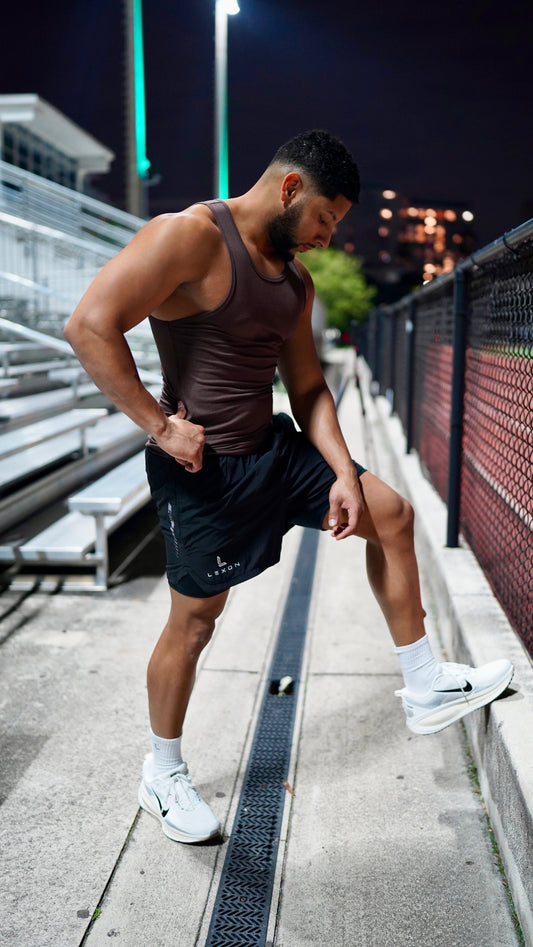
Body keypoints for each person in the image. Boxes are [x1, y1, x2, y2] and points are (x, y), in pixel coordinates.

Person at [64, 130, 513, 845]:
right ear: (289, 189)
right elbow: (89, 325)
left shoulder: (294, 282)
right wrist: (159, 425)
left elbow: (307, 386)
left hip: (273, 448)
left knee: (388, 514)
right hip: (200, 469)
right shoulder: (185, 236)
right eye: (325, 220)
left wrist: (341, 471)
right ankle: (162, 770)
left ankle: (423, 682)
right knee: (196, 623)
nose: (328, 240)